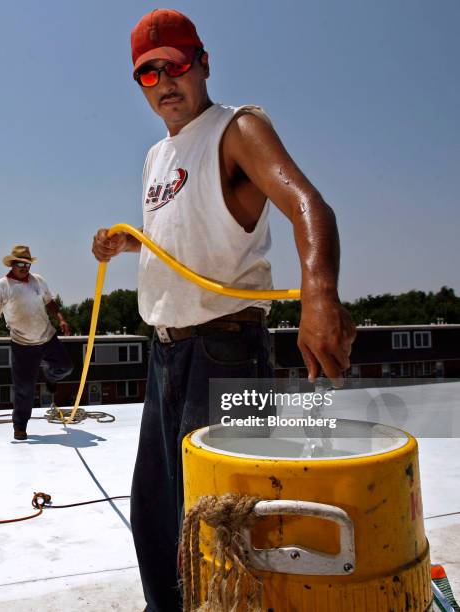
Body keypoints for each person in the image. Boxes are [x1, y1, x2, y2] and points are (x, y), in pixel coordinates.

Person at [92, 9, 356, 611]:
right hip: (166, 353)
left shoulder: (237, 128)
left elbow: (309, 204)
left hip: (224, 350)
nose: (165, 81)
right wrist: (131, 241)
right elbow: (189, 231)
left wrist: (319, 291)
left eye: (176, 65)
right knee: (156, 513)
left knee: (220, 526)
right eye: (148, 73)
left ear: (203, 63)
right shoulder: (157, 156)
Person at [0, 245, 73, 441]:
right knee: (24, 388)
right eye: (21, 264)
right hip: (22, 344)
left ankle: (50, 375)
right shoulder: (2, 286)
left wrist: (61, 319)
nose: (25, 267)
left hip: (46, 337)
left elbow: (50, 302)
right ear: (12, 264)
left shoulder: (38, 281)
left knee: (66, 367)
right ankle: (20, 427)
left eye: (28, 264)